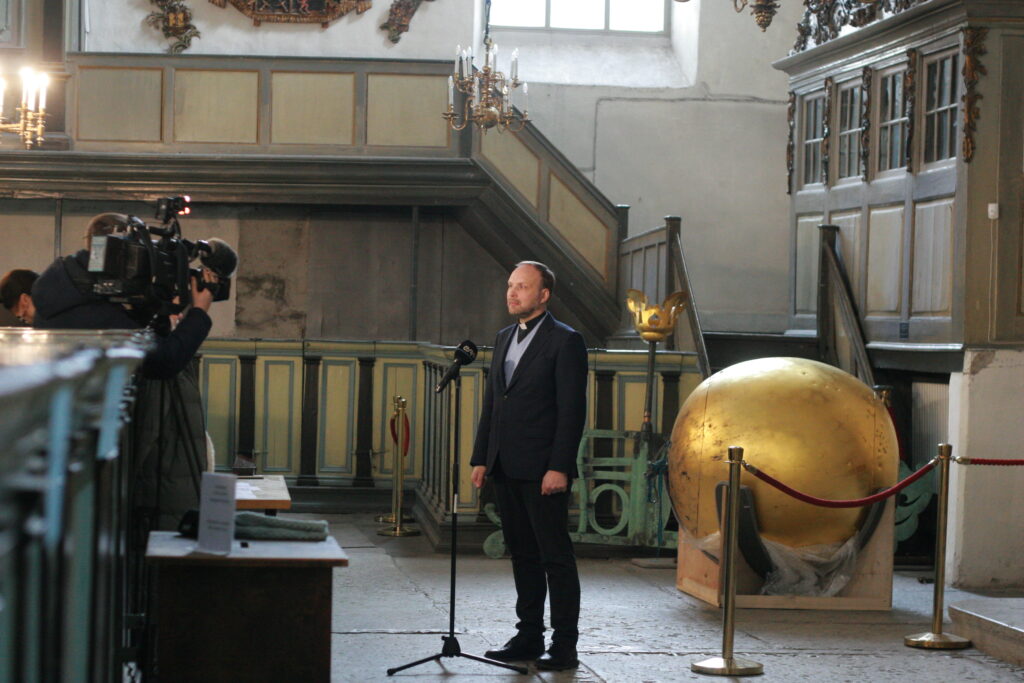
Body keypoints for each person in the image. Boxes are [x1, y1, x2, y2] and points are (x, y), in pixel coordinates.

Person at [32, 212, 219, 531]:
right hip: (94, 440)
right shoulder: (96, 309)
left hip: (65, 429)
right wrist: (199, 311)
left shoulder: (68, 288)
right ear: (120, 252)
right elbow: (164, 361)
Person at [470, 260, 588, 672]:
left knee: (555, 557)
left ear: (544, 294)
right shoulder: (503, 337)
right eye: (510, 285)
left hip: (543, 469)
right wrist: (482, 457)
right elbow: (493, 403)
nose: (512, 292)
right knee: (522, 555)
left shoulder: (565, 340)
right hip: (505, 464)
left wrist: (559, 466)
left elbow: (571, 411)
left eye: (522, 286)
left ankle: (564, 645)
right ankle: (528, 636)